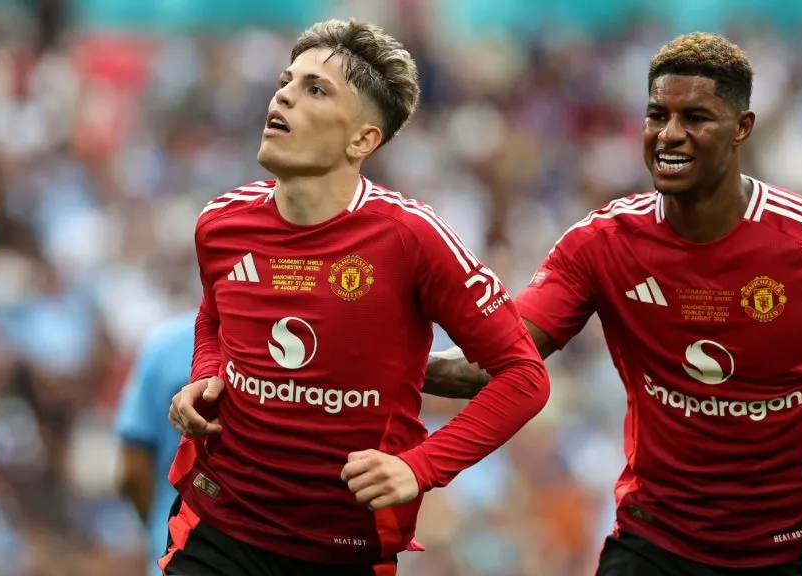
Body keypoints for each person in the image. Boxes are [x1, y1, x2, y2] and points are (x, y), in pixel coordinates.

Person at [424, 32, 802, 576]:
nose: (670, 134)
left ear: (742, 127)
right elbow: (496, 360)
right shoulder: (601, 244)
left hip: (786, 548)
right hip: (653, 540)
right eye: (657, 115)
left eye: (696, 118)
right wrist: (381, 358)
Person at [163, 18, 550, 576]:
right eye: (286, 82)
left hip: (341, 547)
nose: (284, 96)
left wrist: (420, 467)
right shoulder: (221, 222)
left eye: (315, 90)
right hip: (218, 527)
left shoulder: (412, 237)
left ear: (362, 140)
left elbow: (524, 376)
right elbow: (214, 318)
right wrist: (205, 374)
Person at [114, 313, 196, 576]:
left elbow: (132, 471)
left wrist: (158, 529)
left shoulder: (166, 344)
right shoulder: (284, 343)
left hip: (176, 546)